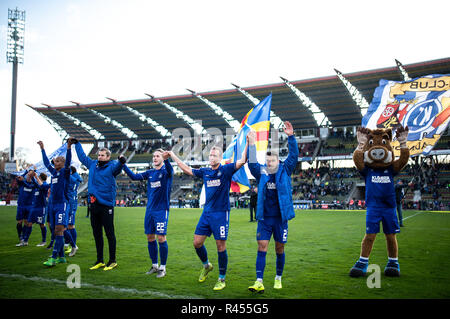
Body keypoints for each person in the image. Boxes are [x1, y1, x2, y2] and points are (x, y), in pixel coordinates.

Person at [168, 143, 247, 291]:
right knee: (197, 243)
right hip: (207, 213)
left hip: (221, 214)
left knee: (220, 246)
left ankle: (222, 279)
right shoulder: (205, 171)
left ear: (220, 157)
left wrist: (249, 142)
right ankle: (206, 266)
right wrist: (173, 155)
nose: (211, 157)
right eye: (210, 155)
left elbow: (243, 160)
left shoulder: (226, 170)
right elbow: (187, 169)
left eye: (214, 155)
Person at [246, 121, 298, 293]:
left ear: (278, 161)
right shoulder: (261, 172)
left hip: (280, 219)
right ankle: (259, 280)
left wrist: (290, 136)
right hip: (265, 219)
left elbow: (294, 156)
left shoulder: (285, 169)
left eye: (272, 160)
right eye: (267, 161)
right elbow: (252, 164)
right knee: (262, 246)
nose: (269, 163)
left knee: (279, 248)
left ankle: (278, 277)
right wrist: (252, 144)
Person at [70, 137, 125, 271]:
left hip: (106, 205)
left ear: (107, 157)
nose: (99, 157)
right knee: (97, 234)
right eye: (98, 155)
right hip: (93, 205)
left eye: (102, 155)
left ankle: (112, 260)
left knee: (109, 234)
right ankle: (100, 260)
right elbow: (82, 157)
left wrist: (122, 162)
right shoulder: (93, 164)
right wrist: (77, 144)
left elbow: (117, 168)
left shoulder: (112, 166)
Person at [122, 149, 173, 278]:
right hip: (149, 210)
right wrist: (123, 164)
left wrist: (167, 159)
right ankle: (155, 265)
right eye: (154, 156)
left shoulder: (166, 172)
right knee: (150, 237)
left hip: (161, 210)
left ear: (162, 158)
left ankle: (163, 267)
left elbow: (170, 170)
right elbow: (134, 177)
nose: (155, 158)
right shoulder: (150, 173)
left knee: (161, 238)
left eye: (158, 156)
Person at [39, 140, 73, 267]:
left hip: (61, 204)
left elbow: (68, 161)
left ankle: (53, 258)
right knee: (55, 230)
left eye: (58, 161)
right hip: (52, 204)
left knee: (59, 229)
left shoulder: (65, 172)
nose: (55, 162)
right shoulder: (53, 173)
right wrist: (42, 149)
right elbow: (46, 162)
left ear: (63, 163)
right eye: (55, 161)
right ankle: (62, 257)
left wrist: (69, 148)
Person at [21, 169, 50, 247]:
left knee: (41, 224)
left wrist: (34, 177)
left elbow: (39, 186)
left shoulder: (45, 185)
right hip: (34, 208)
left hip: (41, 208)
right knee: (29, 223)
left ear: (40, 178)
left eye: (38, 178)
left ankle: (44, 241)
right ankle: (25, 241)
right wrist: (30, 178)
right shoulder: (37, 185)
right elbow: (30, 185)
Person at [63, 166, 83, 257]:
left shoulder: (71, 179)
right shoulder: (76, 178)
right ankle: (68, 244)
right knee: (67, 225)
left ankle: (73, 245)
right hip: (71, 201)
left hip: (71, 202)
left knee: (70, 225)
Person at [15, 169, 37, 246]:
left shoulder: (34, 184)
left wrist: (32, 175)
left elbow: (28, 185)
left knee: (28, 223)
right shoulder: (21, 183)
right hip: (21, 205)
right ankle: (21, 238)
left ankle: (25, 239)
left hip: (30, 206)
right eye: (28, 175)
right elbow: (18, 178)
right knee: (19, 222)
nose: (29, 176)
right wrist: (25, 172)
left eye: (30, 175)